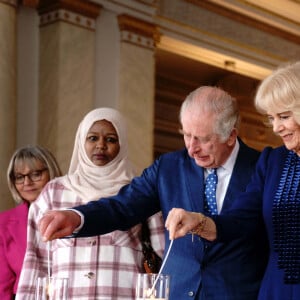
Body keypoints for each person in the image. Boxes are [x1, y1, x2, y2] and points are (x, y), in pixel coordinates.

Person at [38, 86, 269, 300]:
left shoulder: (264, 168)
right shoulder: (168, 167)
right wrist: (77, 217)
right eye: (186, 134)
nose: (191, 148)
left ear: (231, 135)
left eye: (203, 139)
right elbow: (123, 206)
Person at [165, 61, 300, 300]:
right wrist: (198, 221)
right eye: (272, 118)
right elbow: (240, 220)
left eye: (285, 117)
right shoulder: (272, 161)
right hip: (277, 291)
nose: (277, 128)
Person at [16, 108, 165, 300]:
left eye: (111, 139)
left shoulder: (139, 192)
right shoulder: (54, 193)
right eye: (92, 138)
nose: (101, 145)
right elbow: (37, 260)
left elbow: (164, 253)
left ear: (123, 144)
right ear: (81, 141)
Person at [0, 145, 62, 300]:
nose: (27, 182)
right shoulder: (4, 222)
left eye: (36, 174)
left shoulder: (73, 214)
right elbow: (2, 284)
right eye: (19, 177)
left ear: (51, 172)